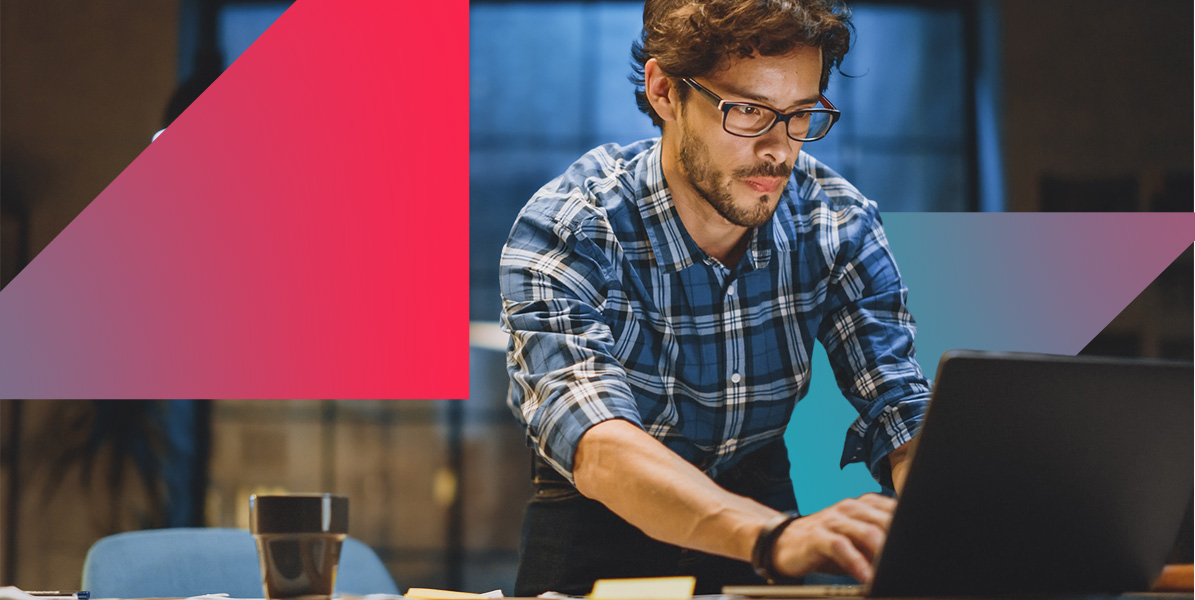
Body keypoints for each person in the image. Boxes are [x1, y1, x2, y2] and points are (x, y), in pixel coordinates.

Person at [499, 0, 931, 595]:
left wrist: (951, 528)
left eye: (800, 114)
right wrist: (775, 539)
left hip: (754, 490)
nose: (780, 149)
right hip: (603, 506)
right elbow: (596, 440)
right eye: (749, 110)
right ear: (664, 91)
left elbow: (899, 406)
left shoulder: (838, 224)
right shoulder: (571, 226)